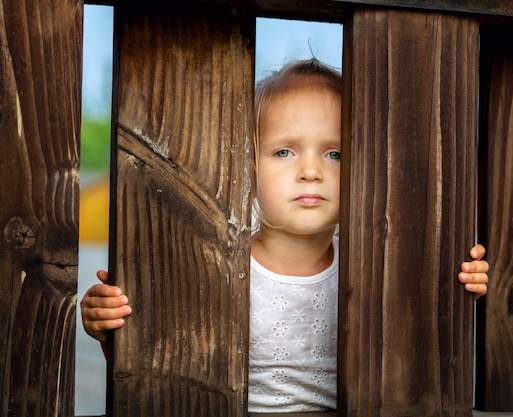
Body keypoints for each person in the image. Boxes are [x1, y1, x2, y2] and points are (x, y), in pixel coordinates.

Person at [80, 59, 489, 413]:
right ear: (245, 168)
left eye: (335, 154)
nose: (311, 170)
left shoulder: (382, 267)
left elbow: (427, 322)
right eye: (284, 152)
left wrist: (463, 282)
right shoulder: (209, 263)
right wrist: (107, 327)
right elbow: (150, 363)